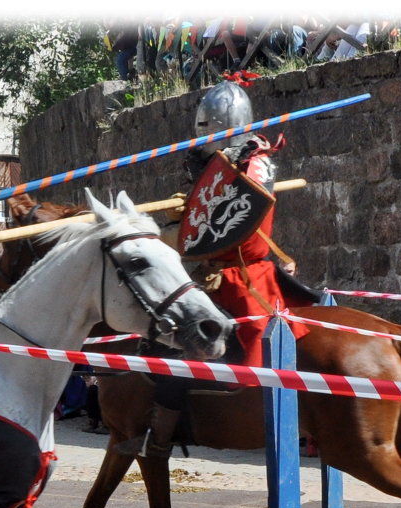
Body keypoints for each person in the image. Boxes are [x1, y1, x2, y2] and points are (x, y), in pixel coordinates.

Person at [121, 78, 322, 458]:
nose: (202, 133)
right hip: (227, 272)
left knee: (175, 343)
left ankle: (159, 438)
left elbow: (217, 229)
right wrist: (182, 213)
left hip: (236, 278)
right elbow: (203, 214)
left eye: (208, 125)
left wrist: (170, 231)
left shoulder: (249, 165)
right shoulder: (227, 163)